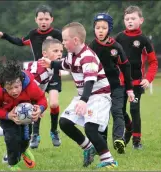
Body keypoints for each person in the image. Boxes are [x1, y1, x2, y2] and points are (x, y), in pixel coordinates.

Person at [0, 39, 63, 163]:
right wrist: (11, 114)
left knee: (21, 133)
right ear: (45, 53)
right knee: (12, 131)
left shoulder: (45, 71)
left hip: (23, 101)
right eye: (55, 51)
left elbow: (39, 96)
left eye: (61, 51)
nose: (60, 54)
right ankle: (10, 157)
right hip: (9, 104)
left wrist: (39, 108)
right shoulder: (37, 73)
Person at [39, 22, 118, 168]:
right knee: (64, 122)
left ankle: (108, 160)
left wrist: (83, 100)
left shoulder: (87, 56)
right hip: (84, 96)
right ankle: (88, 147)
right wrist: (50, 63)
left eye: (64, 40)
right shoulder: (71, 54)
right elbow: (64, 64)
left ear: (75, 40)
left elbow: (90, 81)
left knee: (90, 128)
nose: (63, 43)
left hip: (99, 96)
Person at [0, 4, 62, 148]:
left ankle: (54, 131)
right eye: (41, 19)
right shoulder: (33, 34)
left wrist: (60, 64)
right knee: (36, 103)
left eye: (46, 19)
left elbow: (63, 49)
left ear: (51, 19)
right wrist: (4, 35)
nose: (44, 21)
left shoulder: (57, 34)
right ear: (36, 19)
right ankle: (35, 134)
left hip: (52, 72)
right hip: (38, 73)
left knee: (53, 103)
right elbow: (19, 41)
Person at [0, 59, 48, 171]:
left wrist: (39, 109)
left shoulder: (30, 85)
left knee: (25, 137)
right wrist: (7, 115)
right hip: (6, 115)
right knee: (12, 137)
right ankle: (12, 163)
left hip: (26, 114)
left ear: (21, 81)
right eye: (9, 88)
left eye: (17, 86)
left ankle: (24, 150)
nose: (14, 91)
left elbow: (42, 99)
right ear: (3, 86)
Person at [88, 13, 135, 154]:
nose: (100, 30)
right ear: (94, 29)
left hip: (117, 86)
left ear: (109, 29)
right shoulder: (91, 46)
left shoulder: (116, 47)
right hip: (100, 87)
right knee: (101, 115)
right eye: (97, 28)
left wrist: (130, 89)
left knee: (117, 111)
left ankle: (118, 139)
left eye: (104, 27)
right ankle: (101, 145)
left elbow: (126, 67)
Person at [115, 5, 158, 149]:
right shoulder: (119, 38)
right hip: (120, 82)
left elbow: (153, 62)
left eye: (133, 18)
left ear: (141, 20)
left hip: (137, 83)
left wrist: (148, 78)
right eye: (127, 19)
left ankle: (136, 141)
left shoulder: (144, 40)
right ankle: (129, 128)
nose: (130, 21)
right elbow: (111, 56)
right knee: (119, 110)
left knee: (134, 110)